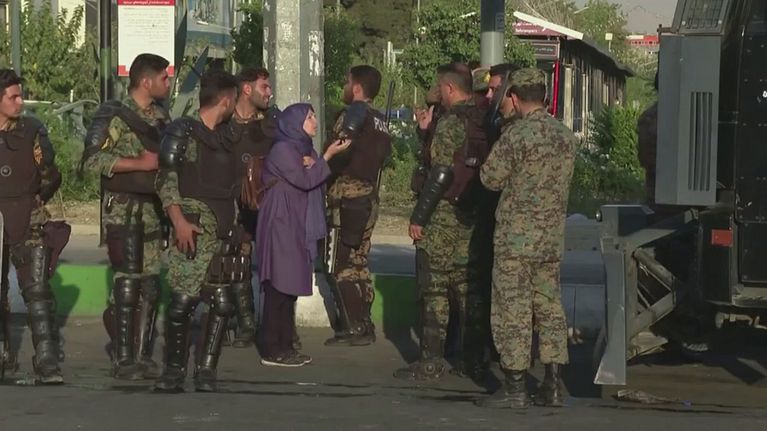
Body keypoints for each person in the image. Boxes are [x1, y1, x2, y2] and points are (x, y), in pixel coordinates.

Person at [477, 68, 576, 409]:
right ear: (544, 97)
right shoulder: (565, 136)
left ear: (515, 98)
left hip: (515, 242)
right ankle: (552, 384)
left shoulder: (516, 136)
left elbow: (490, 178)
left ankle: (515, 386)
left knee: (513, 310)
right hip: (550, 240)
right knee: (549, 308)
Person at [394, 63, 489, 381]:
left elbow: (442, 172)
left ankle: (431, 362)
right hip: (471, 215)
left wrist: (419, 216)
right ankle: (473, 360)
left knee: (433, 288)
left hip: (444, 215)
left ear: (449, 88)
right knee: (467, 289)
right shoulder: (482, 119)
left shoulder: (451, 123)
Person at [81, 53, 171, 380]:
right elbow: (91, 161)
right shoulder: (114, 114)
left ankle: (142, 354)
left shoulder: (161, 117)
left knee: (151, 285)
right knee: (127, 282)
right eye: (164, 77)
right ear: (146, 81)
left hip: (153, 209)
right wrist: (138, 164)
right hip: (123, 209)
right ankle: (123, 359)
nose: (168, 83)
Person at [154, 69, 242, 393]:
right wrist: (178, 220)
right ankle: (173, 371)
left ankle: (206, 370)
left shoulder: (229, 138)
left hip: (223, 230)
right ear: (227, 100)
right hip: (192, 227)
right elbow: (165, 179)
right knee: (182, 302)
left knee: (222, 301)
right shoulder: (185, 133)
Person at [256, 103, 350, 367]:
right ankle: (273, 348)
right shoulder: (283, 149)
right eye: (309, 117)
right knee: (278, 286)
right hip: (280, 221)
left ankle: (285, 345)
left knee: (289, 289)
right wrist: (326, 157)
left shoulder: (303, 149)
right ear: (294, 123)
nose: (314, 121)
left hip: (294, 222)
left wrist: (317, 161)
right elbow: (306, 181)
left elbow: (312, 176)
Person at [0, 68, 66, 383]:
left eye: (20, 96)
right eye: (13, 97)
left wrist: (37, 201)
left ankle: (47, 360)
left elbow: (50, 174)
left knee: (37, 291)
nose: (20, 102)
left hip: (28, 214)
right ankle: (4, 355)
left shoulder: (32, 131)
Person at [324, 65, 392, 347]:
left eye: (346, 81)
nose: (344, 86)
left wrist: (323, 161)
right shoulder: (380, 120)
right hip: (369, 197)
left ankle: (353, 326)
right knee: (360, 262)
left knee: (341, 264)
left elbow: (340, 147)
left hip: (348, 197)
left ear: (356, 88)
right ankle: (364, 324)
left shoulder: (354, 114)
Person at [227, 67, 275, 348]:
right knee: (237, 264)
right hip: (235, 208)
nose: (269, 92)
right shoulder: (225, 123)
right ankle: (245, 323)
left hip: (267, 206)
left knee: (274, 266)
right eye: (264, 87)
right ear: (247, 89)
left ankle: (276, 326)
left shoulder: (272, 124)